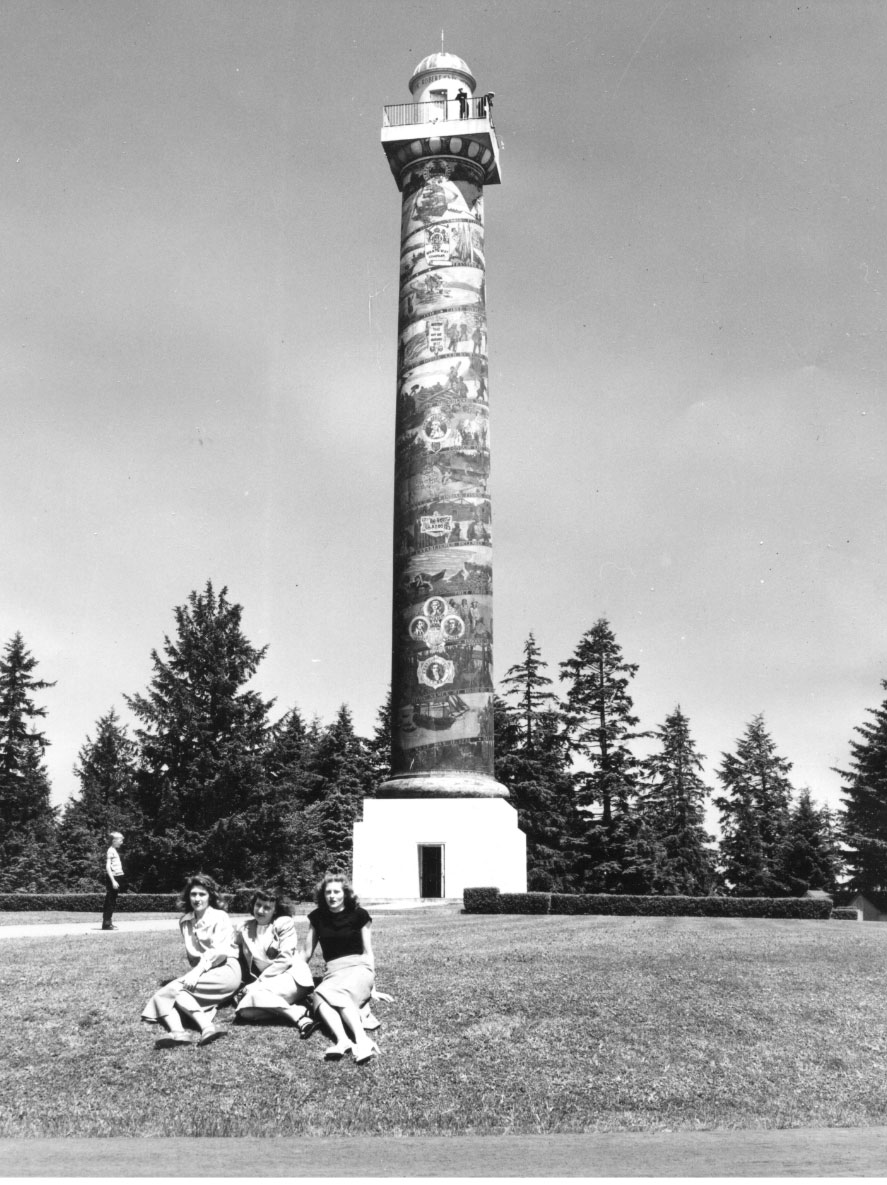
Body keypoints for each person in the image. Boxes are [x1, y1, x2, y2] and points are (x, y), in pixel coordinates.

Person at [141, 873, 241, 1048]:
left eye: (202, 894)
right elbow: (193, 955)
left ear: (211, 896)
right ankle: (178, 1033)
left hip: (226, 969)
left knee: (175, 990)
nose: (197, 898)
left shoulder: (220, 917)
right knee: (170, 992)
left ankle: (208, 1028)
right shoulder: (185, 921)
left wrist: (196, 972)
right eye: (193, 894)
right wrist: (197, 971)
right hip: (205, 971)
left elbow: (219, 952)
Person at [304, 874, 378, 1064]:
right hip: (333, 972)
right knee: (320, 994)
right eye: (328, 892)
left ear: (345, 894)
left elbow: (368, 952)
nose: (332, 896)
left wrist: (373, 986)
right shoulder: (317, 917)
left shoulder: (359, 915)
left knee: (334, 991)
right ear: (323, 895)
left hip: (359, 968)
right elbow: (306, 953)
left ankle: (362, 1040)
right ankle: (343, 1040)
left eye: (336, 891)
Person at [235, 887, 317, 1037]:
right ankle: (298, 1010)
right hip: (268, 984)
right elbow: (232, 951)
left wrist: (258, 983)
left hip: (291, 976)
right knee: (245, 1011)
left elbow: (285, 959)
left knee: (252, 996)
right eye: (258, 904)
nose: (260, 910)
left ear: (275, 910)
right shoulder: (244, 927)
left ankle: (300, 1020)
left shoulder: (284, 923)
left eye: (267, 907)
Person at [102, 831, 125, 931]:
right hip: (114, 877)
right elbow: (108, 867)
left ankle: (108, 922)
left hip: (117, 877)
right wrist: (113, 881)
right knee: (110, 901)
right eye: (120, 840)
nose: (122, 842)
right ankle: (106, 924)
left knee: (112, 900)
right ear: (114, 840)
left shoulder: (114, 850)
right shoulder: (110, 850)